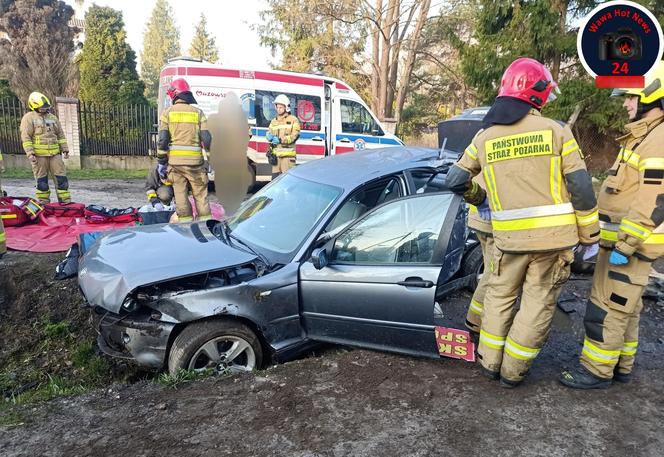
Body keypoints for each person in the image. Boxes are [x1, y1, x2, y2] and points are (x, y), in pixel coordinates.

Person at [444, 57, 599, 387]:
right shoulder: (557, 132)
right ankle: (512, 373)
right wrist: (590, 235)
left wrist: (479, 197)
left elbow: (455, 179)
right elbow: (582, 188)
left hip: (507, 241)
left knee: (498, 299)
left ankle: (489, 363)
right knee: (536, 304)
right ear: (538, 95)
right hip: (553, 243)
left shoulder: (486, 137)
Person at [560, 62, 664, 389]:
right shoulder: (644, 136)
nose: (625, 104)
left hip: (630, 247)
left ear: (652, 97)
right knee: (627, 309)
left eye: (631, 98)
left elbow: (655, 199)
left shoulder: (658, 140)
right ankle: (622, 365)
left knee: (606, 309)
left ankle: (596, 371)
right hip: (623, 244)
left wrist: (625, 245)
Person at [157, 78, 212, 222]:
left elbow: (162, 141)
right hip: (196, 164)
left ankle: (186, 227)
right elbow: (207, 139)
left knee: (181, 197)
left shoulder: (167, 113)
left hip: (176, 165)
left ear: (174, 95)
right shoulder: (198, 113)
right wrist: (210, 160)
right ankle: (205, 227)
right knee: (201, 196)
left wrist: (162, 162)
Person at [20, 92, 70, 204]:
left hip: (55, 155)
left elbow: (60, 135)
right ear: (34, 106)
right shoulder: (28, 118)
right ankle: (44, 203)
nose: (44, 109)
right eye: (42, 107)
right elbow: (26, 137)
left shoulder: (52, 118)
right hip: (39, 156)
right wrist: (30, 153)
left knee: (61, 179)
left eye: (45, 107)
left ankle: (66, 203)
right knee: (42, 181)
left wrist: (65, 149)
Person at [464, 175, 494, 334]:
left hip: (479, 214)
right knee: (494, 274)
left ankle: (474, 319)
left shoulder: (480, 149)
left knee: (491, 271)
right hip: (493, 219)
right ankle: (475, 321)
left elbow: (459, 177)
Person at [266, 94, 300, 177]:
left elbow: (295, 136)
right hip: (276, 159)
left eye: (280, 107)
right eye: (277, 107)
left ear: (286, 107)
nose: (278, 109)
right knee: (274, 183)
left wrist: (281, 140)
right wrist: (268, 136)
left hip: (287, 159)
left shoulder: (293, 120)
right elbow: (269, 132)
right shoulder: (273, 121)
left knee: (287, 184)